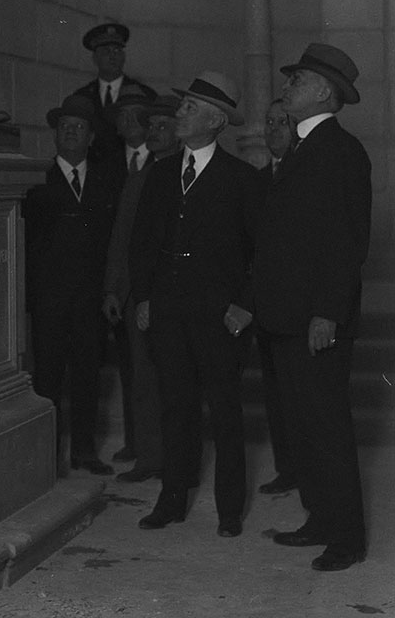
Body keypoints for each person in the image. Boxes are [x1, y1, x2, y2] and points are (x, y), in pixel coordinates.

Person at [253, 44, 371, 572]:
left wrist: (327, 312)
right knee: (305, 428)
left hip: (315, 321)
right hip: (287, 318)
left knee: (327, 430)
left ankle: (347, 540)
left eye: (296, 79)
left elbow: (346, 242)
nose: (287, 86)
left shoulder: (340, 151)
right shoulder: (303, 148)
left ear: (323, 91)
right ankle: (321, 520)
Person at [129, 71, 263, 538]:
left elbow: (263, 253)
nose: (178, 113)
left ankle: (229, 510)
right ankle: (171, 501)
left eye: (188, 108)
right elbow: (143, 242)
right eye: (181, 106)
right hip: (167, 312)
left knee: (225, 413)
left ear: (215, 121)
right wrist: (144, 297)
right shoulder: (162, 174)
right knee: (176, 409)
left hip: (220, 318)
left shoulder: (242, 179)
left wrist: (244, 306)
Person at [24, 94, 118, 476]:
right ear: (55, 136)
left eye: (79, 128)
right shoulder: (37, 183)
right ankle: (48, 457)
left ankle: (83, 451)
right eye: (64, 128)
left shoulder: (107, 183)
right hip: (49, 303)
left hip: (89, 303)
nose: (71, 133)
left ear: (91, 137)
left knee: (87, 378)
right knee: (47, 379)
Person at [102, 92, 181, 482]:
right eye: (151, 126)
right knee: (144, 381)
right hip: (139, 298)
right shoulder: (138, 179)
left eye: (164, 126)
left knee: (180, 384)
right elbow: (121, 239)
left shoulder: (189, 175)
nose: (155, 132)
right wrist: (114, 290)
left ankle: (181, 462)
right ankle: (151, 458)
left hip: (180, 298)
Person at [255, 99, 299, 496]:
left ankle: (308, 471)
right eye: (268, 123)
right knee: (275, 394)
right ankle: (288, 469)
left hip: (298, 307)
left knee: (301, 396)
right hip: (266, 308)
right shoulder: (257, 180)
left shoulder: (307, 174)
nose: (273, 131)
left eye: (281, 123)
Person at [73, 23, 155, 164]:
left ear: (124, 56)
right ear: (94, 58)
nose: (112, 56)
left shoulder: (143, 94)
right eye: (106, 51)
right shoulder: (82, 96)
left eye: (117, 51)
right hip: (93, 169)